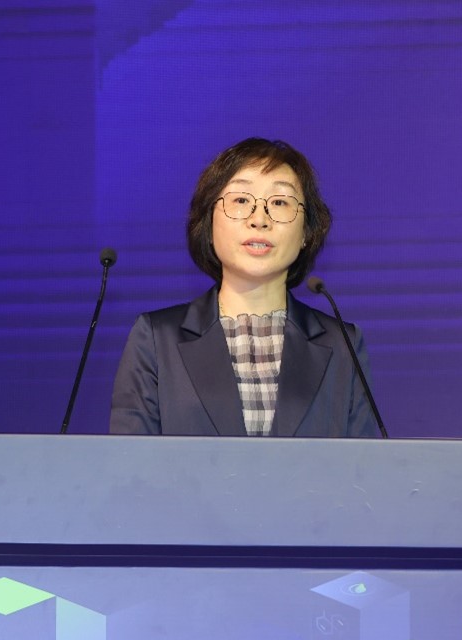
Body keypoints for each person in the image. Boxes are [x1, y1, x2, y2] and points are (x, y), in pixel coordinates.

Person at [109, 138, 377, 438]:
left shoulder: (343, 344)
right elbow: (129, 462)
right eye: (240, 201)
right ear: (209, 224)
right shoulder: (157, 339)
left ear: (306, 232)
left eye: (279, 202)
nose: (259, 219)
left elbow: (362, 464)